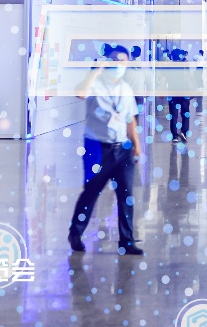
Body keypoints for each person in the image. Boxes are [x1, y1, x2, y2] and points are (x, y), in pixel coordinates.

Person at [70, 45, 144, 255]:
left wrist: (136, 145)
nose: (118, 65)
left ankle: (127, 241)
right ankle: (75, 233)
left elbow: (130, 118)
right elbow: (80, 93)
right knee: (91, 192)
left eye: (122, 61)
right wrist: (95, 72)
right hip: (97, 148)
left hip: (123, 149)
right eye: (114, 60)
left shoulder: (126, 89)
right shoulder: (95, 84)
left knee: (126, 196)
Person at [166, 47, 193, 144]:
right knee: (185, 114)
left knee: (173, 115)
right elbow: (189, 78)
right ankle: (184, 132)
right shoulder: (184, 65)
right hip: (184, 92)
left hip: (172, 93)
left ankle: (174, 136)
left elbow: (166, 79)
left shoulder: (169, 66)